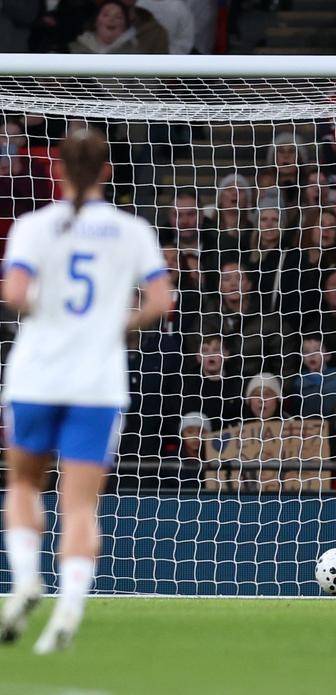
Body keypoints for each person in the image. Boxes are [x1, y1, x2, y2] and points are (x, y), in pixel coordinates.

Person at [0, 129, 174, 653]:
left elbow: (14, 293)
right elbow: (161, 300)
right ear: (106, 172)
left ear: (58, 170)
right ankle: (68, 609)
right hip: (97, 381)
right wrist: (117, 323)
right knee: (80, 505)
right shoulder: (132, 230)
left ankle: (25, 578)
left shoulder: (34, 226)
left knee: (24, 485)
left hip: (36, 374)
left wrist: (53, 312)